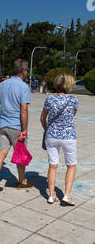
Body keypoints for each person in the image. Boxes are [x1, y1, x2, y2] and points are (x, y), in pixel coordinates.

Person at [0, 58, 33, 193]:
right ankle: (21, 181)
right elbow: (23, 109)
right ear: (25, 71)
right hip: (16, 127)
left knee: (1, 154)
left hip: (3, 125)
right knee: (20, 153)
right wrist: (24, 129)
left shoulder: (2, 85)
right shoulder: (24, 87)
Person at [40, 73, 78, 206]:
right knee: (71, 165)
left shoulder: (49, 100)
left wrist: (47, 129)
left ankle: (51, 196)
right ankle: (67, 196)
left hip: (52, 136)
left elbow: (42, 118)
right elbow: (72, 115)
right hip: (69, 136)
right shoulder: (73, 100)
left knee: (53, 165)